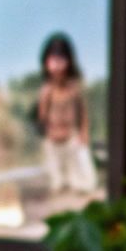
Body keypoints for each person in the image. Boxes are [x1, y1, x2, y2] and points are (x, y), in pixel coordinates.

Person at [35, 33, 95, 194]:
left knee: (84, 181)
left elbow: (83, 113)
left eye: (61, 59)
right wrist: (49, 132)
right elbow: (42, 117)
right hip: (53, 141)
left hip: (72, 139)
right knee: (58, 182)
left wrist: (84, 134)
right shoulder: (46, 90)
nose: (57, 65)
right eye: (53, 59)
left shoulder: (75, 88)